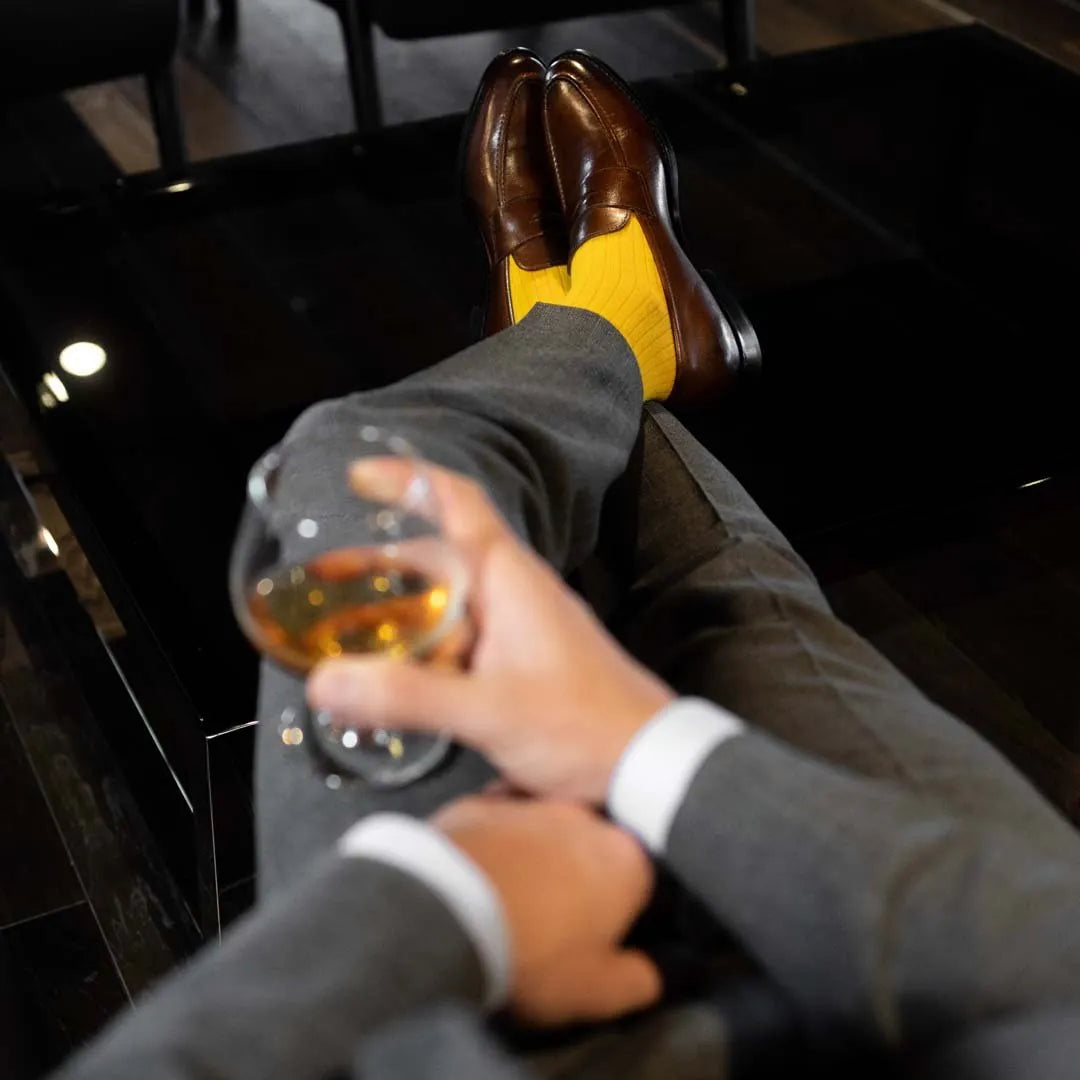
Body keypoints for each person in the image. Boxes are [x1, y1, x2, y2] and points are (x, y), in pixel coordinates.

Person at [54, 49, 1080, 1080]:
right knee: (718, 604)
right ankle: (610, 331)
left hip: (383, 1006)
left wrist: (441, 910)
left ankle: (583, 335)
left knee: (376, 489)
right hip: (969, 988)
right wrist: (631, 752)